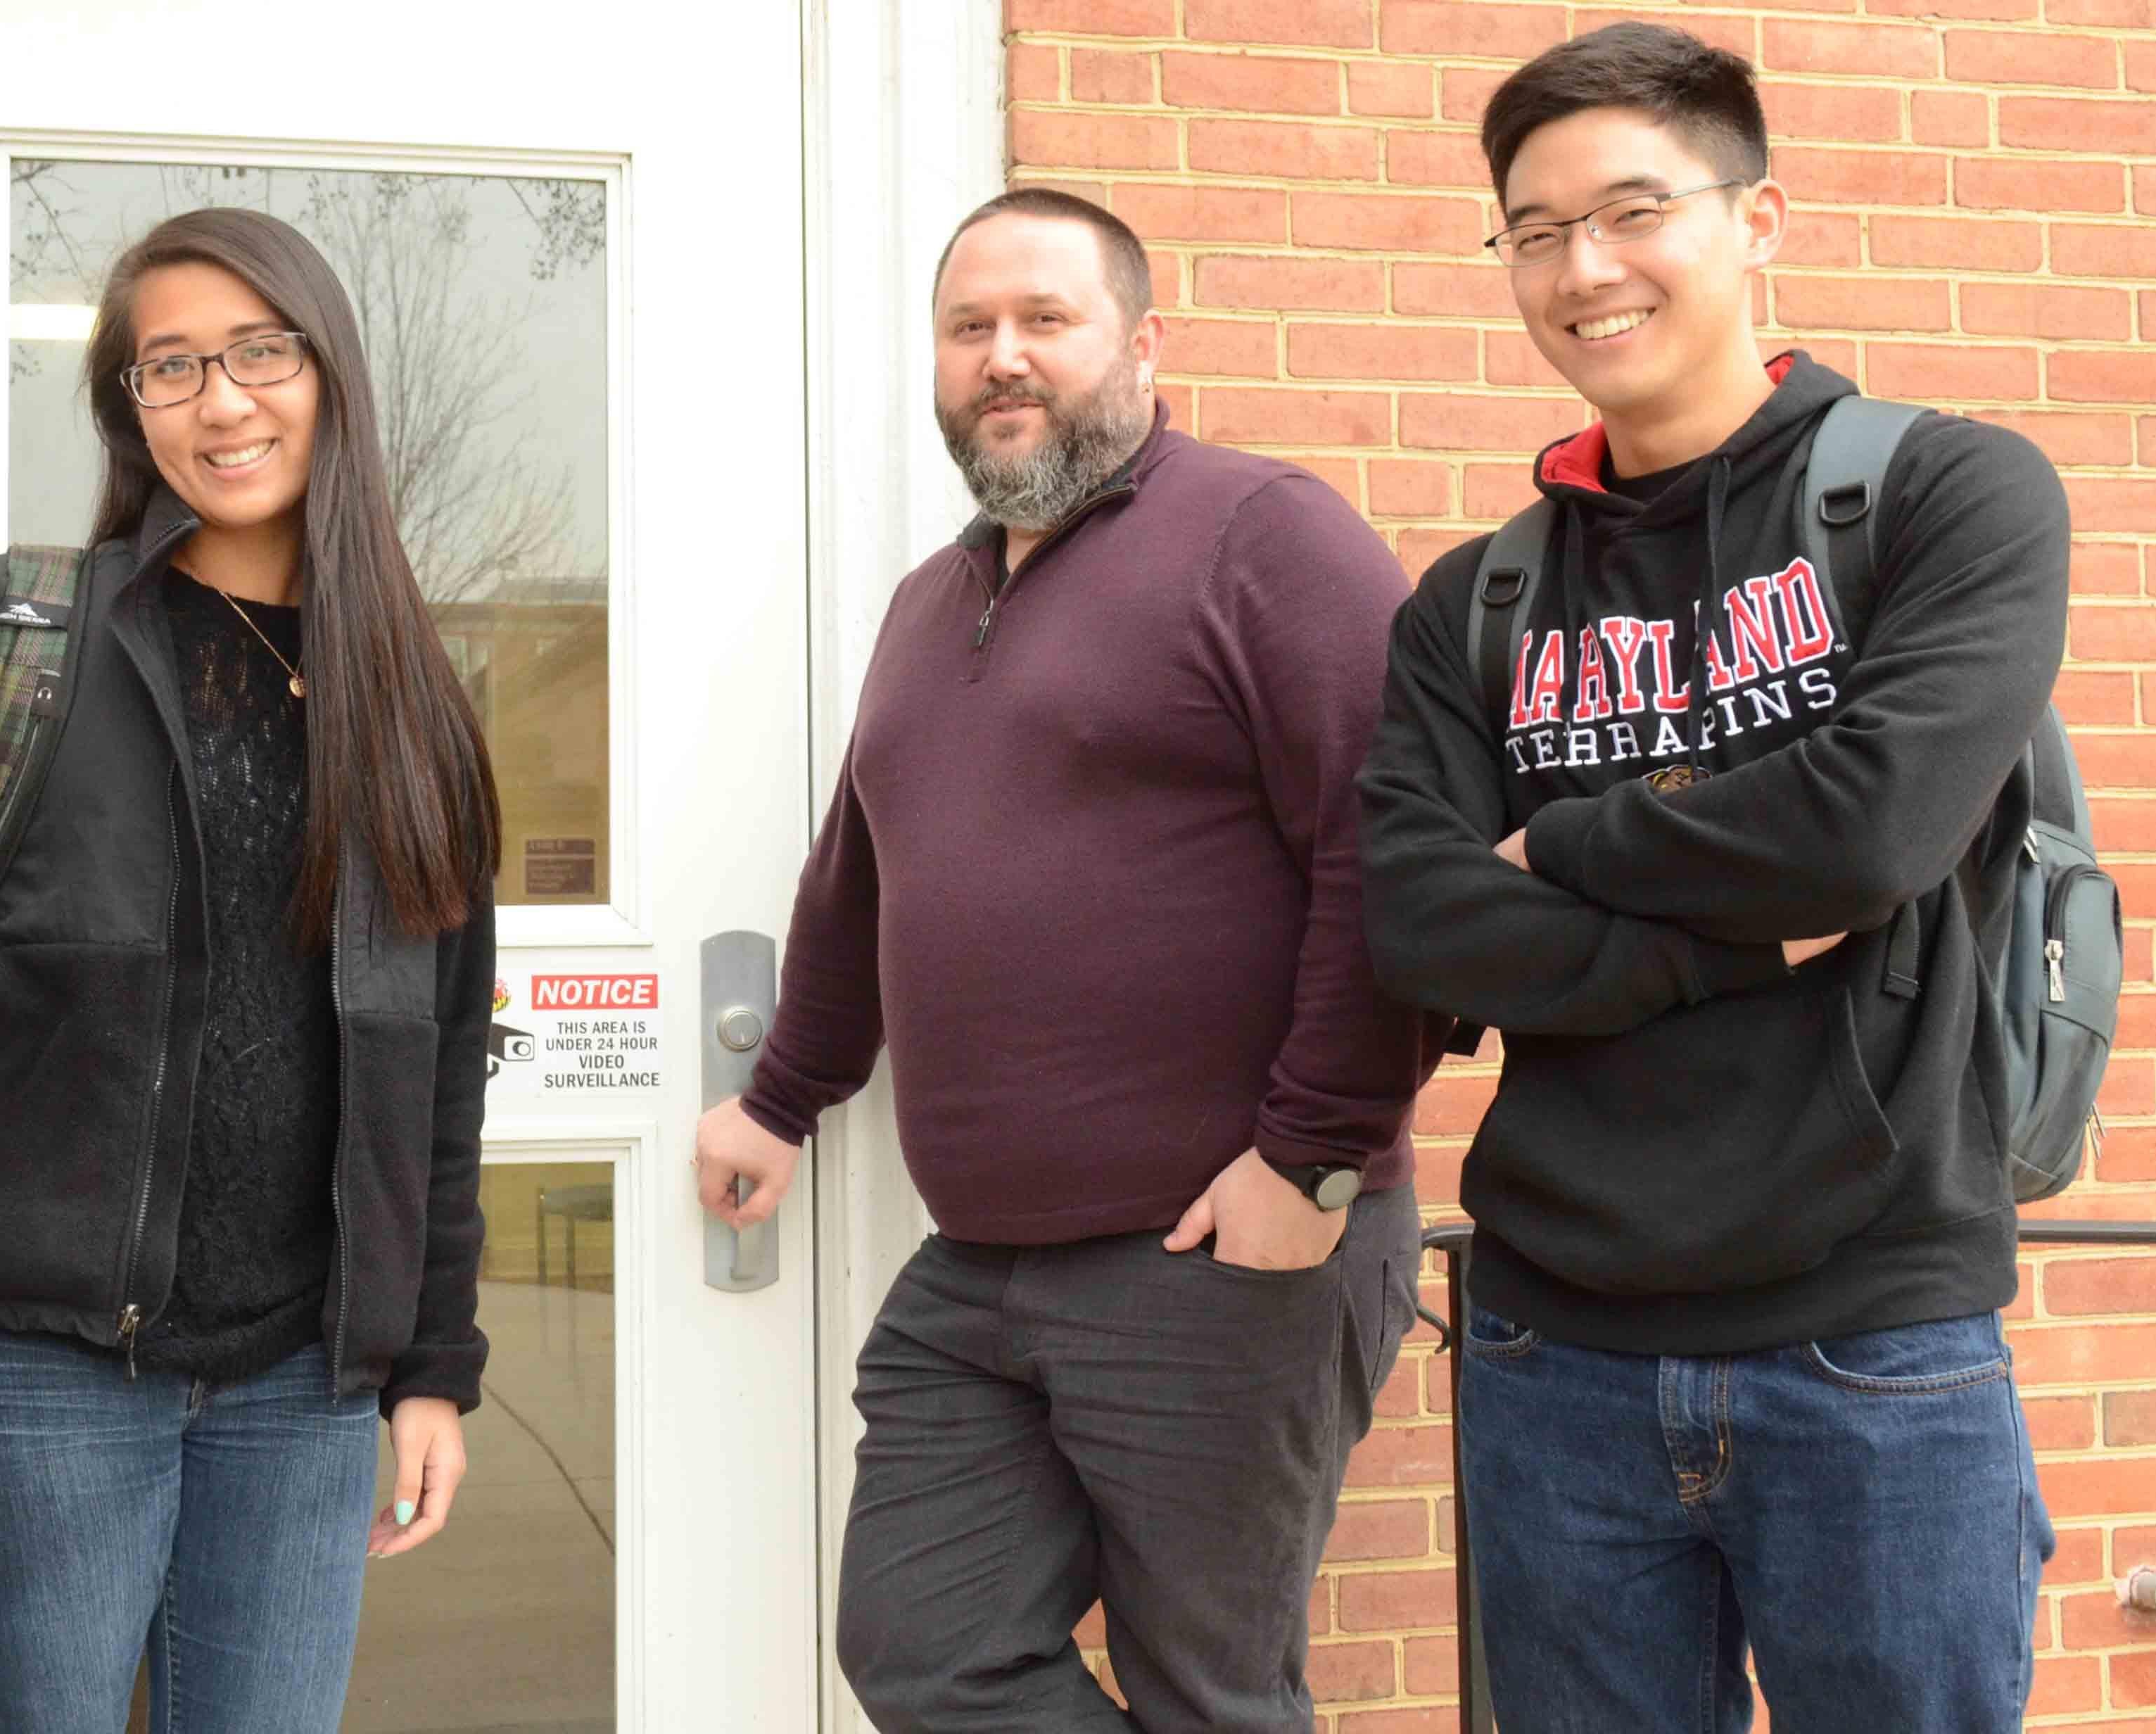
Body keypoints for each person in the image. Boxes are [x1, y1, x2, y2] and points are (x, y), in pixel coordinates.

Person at [1355, 23, 2069, 1732]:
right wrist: (1748, 934)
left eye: (1630, 210)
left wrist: (1571, 845)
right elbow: (1421, 921)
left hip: (1874, 1347)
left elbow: (1871, 830)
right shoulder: (1473, 605)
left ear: (1756, 220)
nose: (1580, 267)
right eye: (1532, 230)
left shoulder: (1949, 496)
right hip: (1552, 1356)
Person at [691, 187, 1438, 1734]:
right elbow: (858, 880)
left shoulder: (1262, 534)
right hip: (982, 1264)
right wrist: (779, 1096)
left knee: (1209, 1692)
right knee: (922, 1645)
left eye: (1046, 320)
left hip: (1218, 1255)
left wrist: (1309, 1161)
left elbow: (1397, 856)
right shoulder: (930, 599)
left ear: (1144, 343)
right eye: (969, 329)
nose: (1002, 358)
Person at [0, 205, 498, 1733]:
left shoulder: (410, 705)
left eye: (262, 351)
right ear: (128, 408)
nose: (221, 400)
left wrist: (430, 1357)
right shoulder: (12, 637)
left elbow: (439, 1056)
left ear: (331, 376)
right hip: (30, 1362)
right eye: (167, 367)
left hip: (302, 1378)